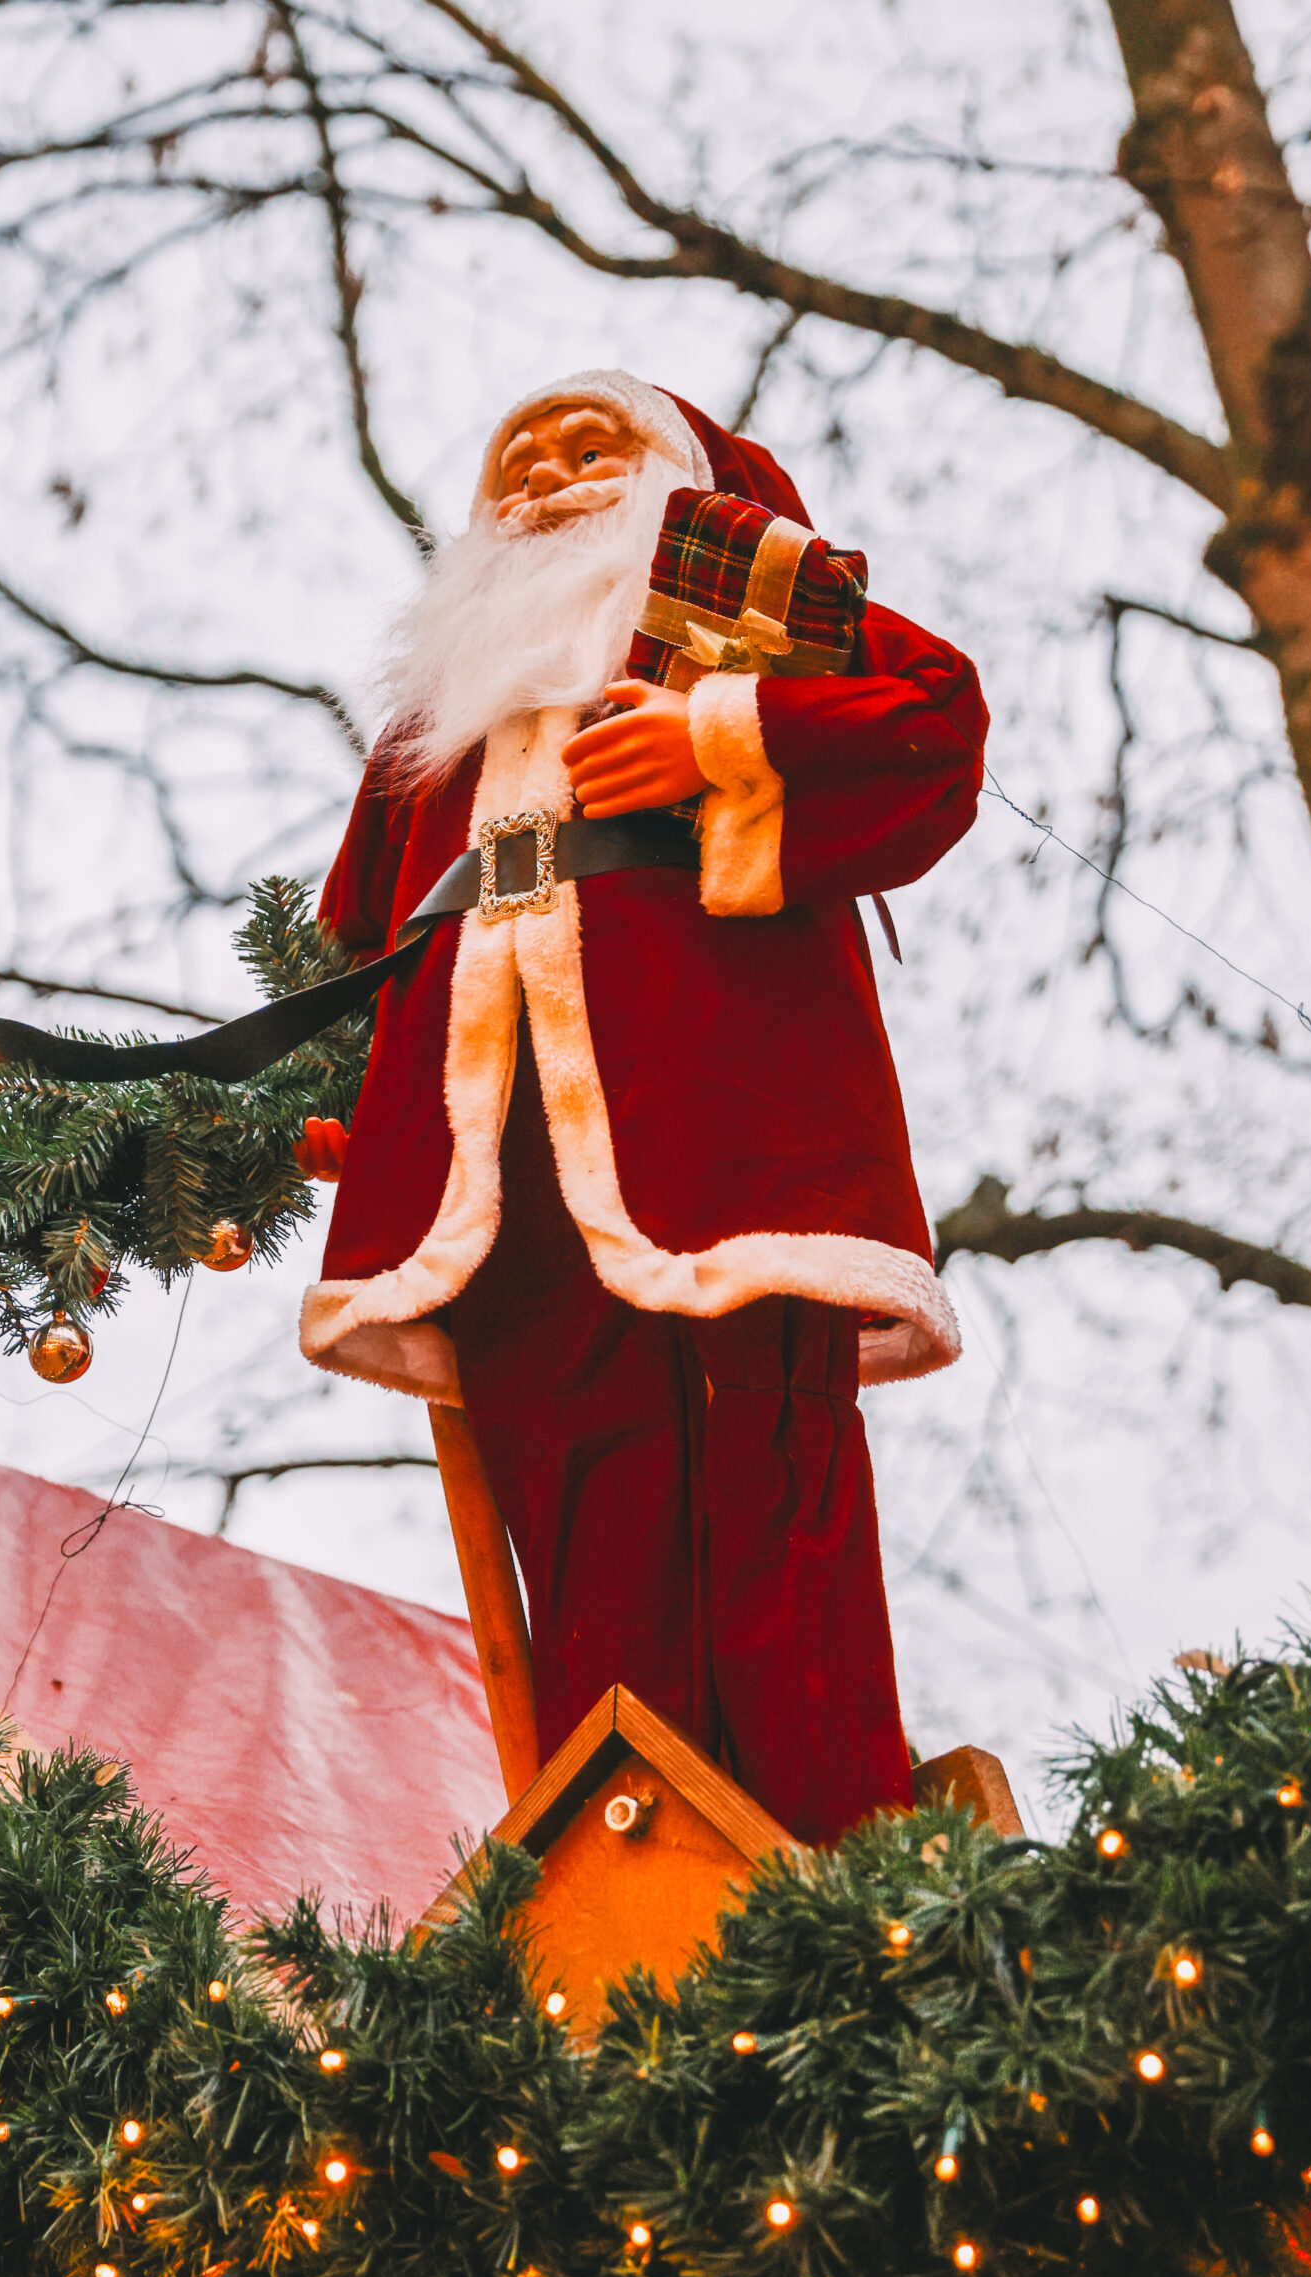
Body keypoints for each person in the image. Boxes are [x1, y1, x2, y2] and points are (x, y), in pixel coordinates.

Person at [295, 371, 987, 1844]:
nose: (544, 467)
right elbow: (366, 941)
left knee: (766, 1490)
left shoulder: (756, 596)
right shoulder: (437, 727)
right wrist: (363, 1126)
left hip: (729, 1124)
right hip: (504, 1174)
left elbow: (933, 721)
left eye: (588, 441)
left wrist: (719, 740)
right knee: (584, 1522)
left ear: (674, 471)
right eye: (514, 453)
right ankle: (637, 1886)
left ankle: (828, 1876)